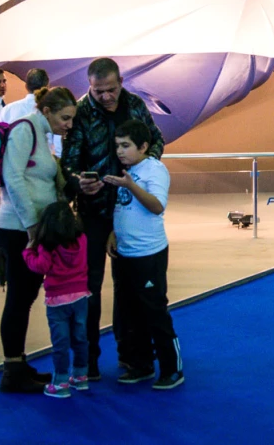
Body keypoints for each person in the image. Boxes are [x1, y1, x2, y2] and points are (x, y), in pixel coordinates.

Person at [62, 58, 165, 381]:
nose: (106, 96)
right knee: (89, 289)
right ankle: (88, 362)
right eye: (99, 91)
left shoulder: (135, 105)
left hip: (130, 211)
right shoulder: (80, 112)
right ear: (89, 87)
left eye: (111, 89)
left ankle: (133, 357)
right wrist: (80, 182)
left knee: (130, 289)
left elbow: (156, 141)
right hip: (93, 214)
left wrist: (141, 170)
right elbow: (68, 163)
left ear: (121, 82)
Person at [0, 86, 76, 393]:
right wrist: (31, 226)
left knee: (25, 298)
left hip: (29, 230)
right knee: (18, 299)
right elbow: (12, 178)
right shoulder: (26, 129)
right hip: (18, 230)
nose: (68, 124)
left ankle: (18, 364)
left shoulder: (40, 134)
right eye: (65, 118)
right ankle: (11, 371)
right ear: (47, 111)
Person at [103, 119, 183, 390]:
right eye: (117, 146)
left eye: (125, 146)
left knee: (155, 313)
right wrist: (114, 233)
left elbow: (157, 206)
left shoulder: (154, 170)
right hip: (124, 254)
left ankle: (172, 369)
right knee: (130, 314)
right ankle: (141, 365)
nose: (120, 151)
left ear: (144, 146)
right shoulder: (128, 170)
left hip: (148, 254)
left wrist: (131, 186)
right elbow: (123, 207)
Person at [22, 200, 91, 399]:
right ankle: (80, 376)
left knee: (60, 342)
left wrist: (28, 252)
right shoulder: (82, 239)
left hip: (57, 300)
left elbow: (41, 267)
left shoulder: (48, 245)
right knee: (80, 338)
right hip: (81, 295)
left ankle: (60, 382)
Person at [1, 68, 61, 156]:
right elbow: (58, 146)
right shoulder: (53, 110)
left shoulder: (8, 110)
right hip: (43, 161)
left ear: (26, 86)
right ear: (47, 86)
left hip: (14, 160)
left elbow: (1, 140)